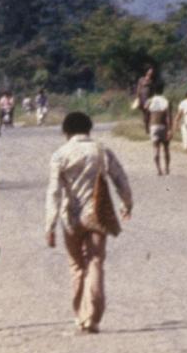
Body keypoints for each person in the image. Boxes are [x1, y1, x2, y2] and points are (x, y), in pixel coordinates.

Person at [45, 112, 132, 333]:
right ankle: (92, 317)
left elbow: (54, 192)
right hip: (96, 215)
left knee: (76, 266)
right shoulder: (101, 151)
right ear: (89, 129)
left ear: (66, 131)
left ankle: (81, 315)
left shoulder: (59, 155)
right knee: (95, 262)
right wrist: (127, 203)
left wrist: (50, 224)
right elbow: (120, 178)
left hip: (70, 219)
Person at [145, 87, 171, 175]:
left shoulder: (149, 101)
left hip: (153, 126)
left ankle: (159, 170)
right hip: (163, 126)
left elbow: (146, 114)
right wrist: (169, 129)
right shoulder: (165, 101)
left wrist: (146, 127)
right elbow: (168, 117)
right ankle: (167, 168)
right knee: (166, 148)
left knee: (156, 149)